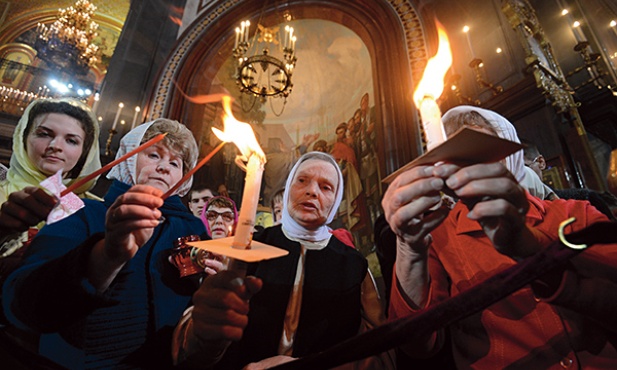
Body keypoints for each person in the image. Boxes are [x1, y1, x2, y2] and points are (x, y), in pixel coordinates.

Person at [383, 105, 617, 368]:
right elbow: (419, 345)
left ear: (511, 156)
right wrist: (408, 249)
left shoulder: (575, 213)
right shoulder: (438, 237)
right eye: (455, 154)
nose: (469, 165)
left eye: (481, 148)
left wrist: (533, 247)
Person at [1, 118, 208, 369]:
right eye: (154, 155)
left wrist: (209, 282)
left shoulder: (192, 228)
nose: (165, 167)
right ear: (129, 158)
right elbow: (23, 301)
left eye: (175, 163)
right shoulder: (82, 212)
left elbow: (197, 302)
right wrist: (105, 257)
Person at [172, 152, 392, 369]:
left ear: (336, 202)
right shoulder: (246, 248)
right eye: (302, 181)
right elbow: (192, 342)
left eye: (326, 187)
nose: (312, 191)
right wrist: (207, 330)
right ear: (288, 190)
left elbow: (378, 352)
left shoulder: (354, 266)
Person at [0, 98, 101, 277]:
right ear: (23, 137)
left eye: (71, 141)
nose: (55, 146)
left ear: (84, 152)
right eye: (44, 134)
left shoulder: (95, 209)